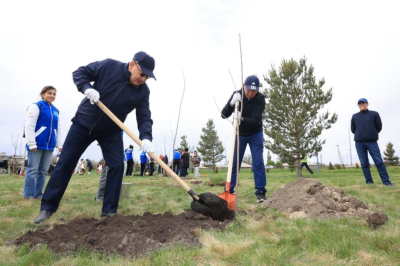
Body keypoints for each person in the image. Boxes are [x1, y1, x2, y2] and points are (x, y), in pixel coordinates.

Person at [34, 51, 156, 224]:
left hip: (111, 131)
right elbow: (80, 72)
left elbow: (144, 116)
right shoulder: (109, 66)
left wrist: (146, 137)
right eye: (142, 74)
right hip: (83, 123)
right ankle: (47, 208)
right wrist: (87, 88)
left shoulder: (143, 91)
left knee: (116, 166)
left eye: (147, 77)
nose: (143, 79)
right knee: (66, 162)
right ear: (132, 65)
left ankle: (109, 213)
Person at [221, 75, 267, 203]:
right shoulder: (237, 95)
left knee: (258, 162)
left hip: (255, 134)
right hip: (239, 134)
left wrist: (241, 119)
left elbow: (256, 121)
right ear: (243, 86)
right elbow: (223, 115)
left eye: (254, 90)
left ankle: (260, 191)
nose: (250, 93)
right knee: (235, 163)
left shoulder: (260, 99)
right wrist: (231, 104)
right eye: (248, 89)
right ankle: (229, 189)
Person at [23, 86, 62, 199]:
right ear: (43, 94)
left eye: (54, 94)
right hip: (36, 144)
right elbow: (29, 126)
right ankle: (28, 194)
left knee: (43, 171)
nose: (52, 96)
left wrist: (59, 144)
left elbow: (57, 129)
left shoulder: (56, 110)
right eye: (49, 93)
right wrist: (31, 143)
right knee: (32, 170)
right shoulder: (36, 106)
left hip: (49, 145)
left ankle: (38, 194)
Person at [351, 98, 392, 186]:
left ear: (367, 104)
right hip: (359, 143)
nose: (362, 105)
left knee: (379, 162)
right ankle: (369, 182)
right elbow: (353, 129)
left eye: (363, 103)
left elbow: (379, 127)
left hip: (372, 142)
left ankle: (386, 182)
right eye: (360, 104)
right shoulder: (355, 116)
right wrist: (360, 135)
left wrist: (372, 134)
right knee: (364, 163)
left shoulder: (374, 114)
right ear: (358, 105)